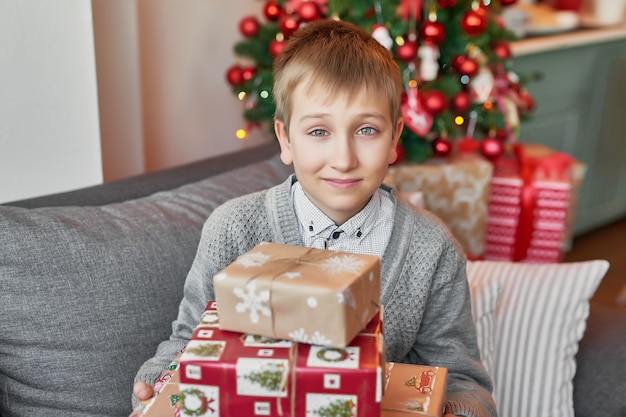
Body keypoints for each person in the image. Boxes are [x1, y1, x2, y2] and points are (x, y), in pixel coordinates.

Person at [134, 18, 497, 417]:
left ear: (395, 139)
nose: (343, 160)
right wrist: (155, 386)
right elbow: (187, 345)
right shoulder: (234, 228)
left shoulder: (432, 248)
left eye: (367, 130)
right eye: (319, 132)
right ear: (286, 138)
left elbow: (465, 385)